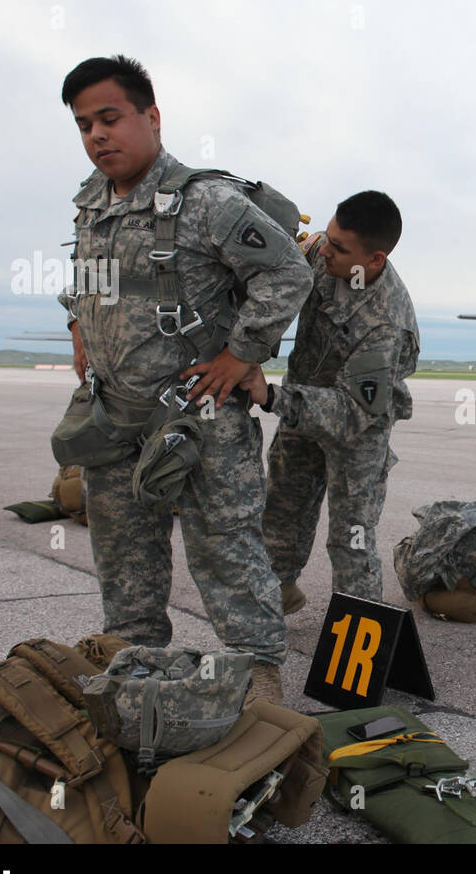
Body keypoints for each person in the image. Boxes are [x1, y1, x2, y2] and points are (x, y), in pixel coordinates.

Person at [57, 55, 313, 705]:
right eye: (85, 124)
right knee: (122, 561)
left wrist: (242, 354)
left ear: (151, 116)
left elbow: (287, 272)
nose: (97, 135)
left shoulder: (205, 203)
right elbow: (88, 278)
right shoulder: (92, 204)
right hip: (115, 419)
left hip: (199, 419)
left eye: (110, 119)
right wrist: (80, 329)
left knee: (226, 554)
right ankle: (132, 666)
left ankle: (258, 681)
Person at [243, 191, 419, 611]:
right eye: (328, 237)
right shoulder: (323, 251)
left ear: (374, 260)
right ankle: (275, 600)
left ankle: (362, 640)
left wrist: (271, 396)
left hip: (358, 427)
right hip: (303, 405)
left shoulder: (386, 324)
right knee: (282, 510)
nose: (325, 250)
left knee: (351, 538)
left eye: (339, 248)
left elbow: (350, 414)